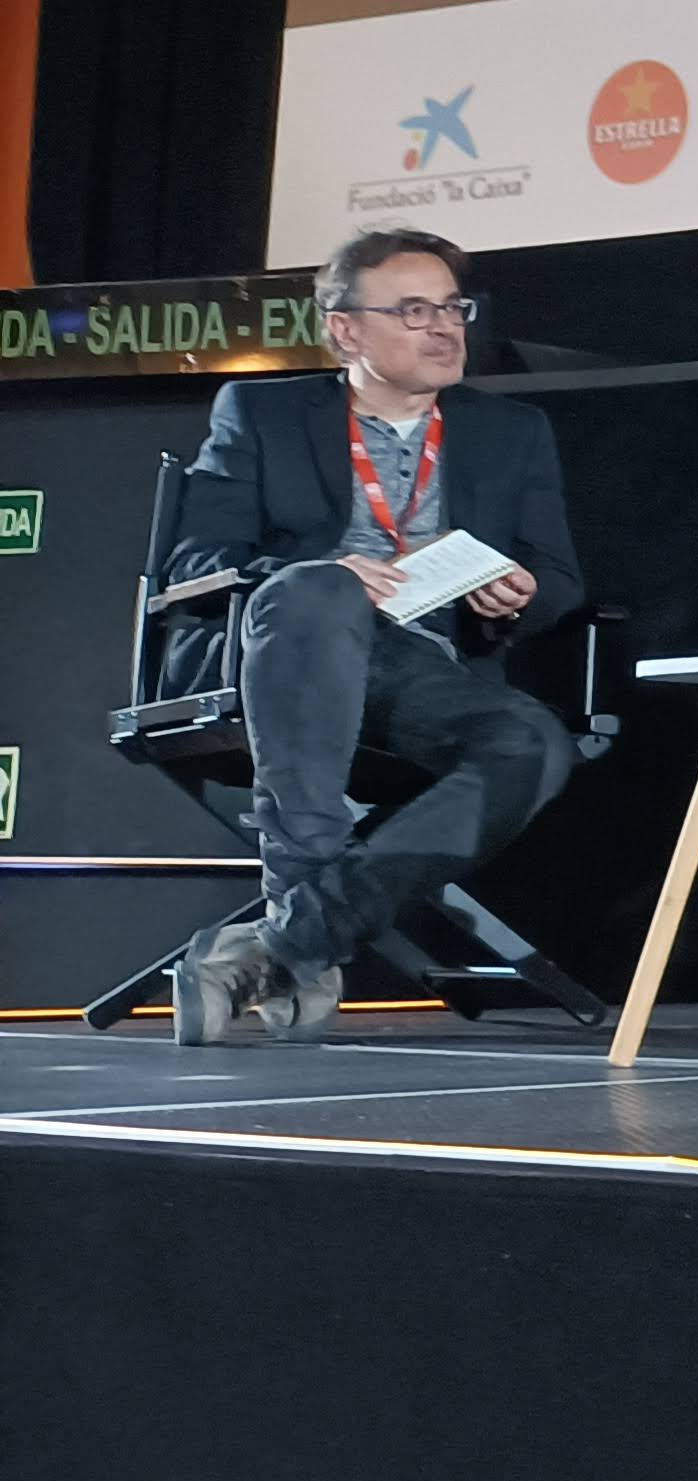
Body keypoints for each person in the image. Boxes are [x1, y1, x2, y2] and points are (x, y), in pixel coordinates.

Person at [161, 229, 585, 1043]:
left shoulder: (511, 429)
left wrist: (519, 595)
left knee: (533, 743)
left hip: (419, 665)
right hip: (284, 648)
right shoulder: (263, 413)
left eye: (453, 309)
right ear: (346, 329)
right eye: (414, 310)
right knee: (320, 589)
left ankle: (290, 941)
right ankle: (302, 901)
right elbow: (200, 559)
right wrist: (325, 570)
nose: (444, 328)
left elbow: (559, 577)